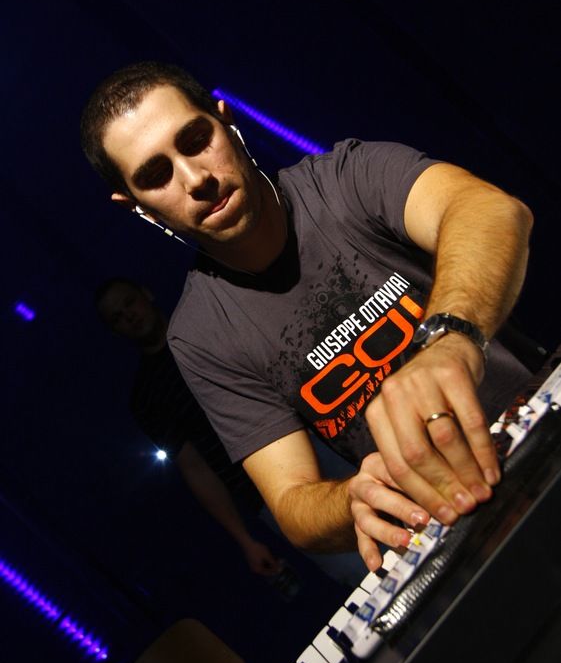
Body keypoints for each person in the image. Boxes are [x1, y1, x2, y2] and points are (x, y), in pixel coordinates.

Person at [81, 61, 534, 573]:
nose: (195, 178)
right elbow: (292, 501)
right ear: (138, 208)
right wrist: (352, 498)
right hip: (455, 526)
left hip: (536, 428)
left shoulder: (347, 178)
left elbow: (489, 211)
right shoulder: (200, 335)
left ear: (226, 123)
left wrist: (450, 339)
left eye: (195, 140)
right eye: (156, 175)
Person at [95, 276, 280, 576]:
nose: (129, 316)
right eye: (117, 317)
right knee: (347, 564)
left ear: (146, 293)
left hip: (311, 442)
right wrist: (245, 540)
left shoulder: (205, 327)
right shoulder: (147, 398)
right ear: (115, 331)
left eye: (129, 303)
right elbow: (194, 467)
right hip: (264, 489)